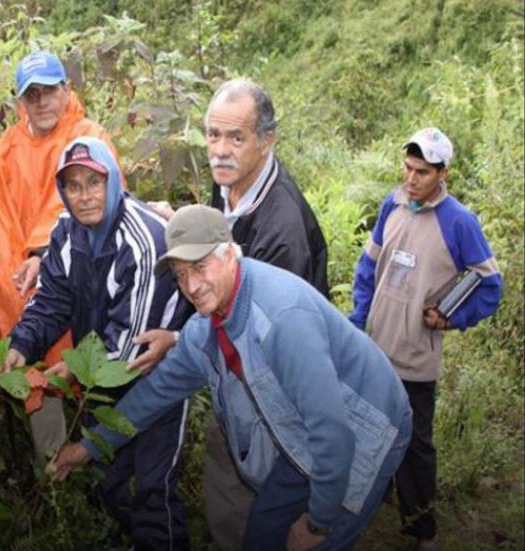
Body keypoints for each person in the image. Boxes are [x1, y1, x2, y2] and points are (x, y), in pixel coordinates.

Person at [54, 204, 413, 551]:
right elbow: (155, 394)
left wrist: (317, 524)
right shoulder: (204, 330)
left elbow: (333, 433)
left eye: (199, 267)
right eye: (180, 274)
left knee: (314, 541)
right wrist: (89, 447)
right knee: (263, 535)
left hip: (369, 425)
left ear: (229, 254)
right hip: (305, 433)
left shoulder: (281, 320)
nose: (191, 286)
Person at [134, 78, 329, 549]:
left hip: (279, 386)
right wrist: (180, 219)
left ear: (266, 141)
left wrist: (178, 341)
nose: (220, 150)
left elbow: (259, 328)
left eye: (236, 138)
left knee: (274, 496)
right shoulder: (235, 187)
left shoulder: (282, 230)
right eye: (213, 135)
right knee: (231, 475)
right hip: (239, 376)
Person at [3, 137, 190, 549]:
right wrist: (21, 344)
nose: (84, 196)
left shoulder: (143, 241)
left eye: (94, 182)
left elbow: (131, 341)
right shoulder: (66, 232)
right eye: (73, 185)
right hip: (101, 379)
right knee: (110, 481)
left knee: (154, 489)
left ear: (114, 180)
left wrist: (72, 368)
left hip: (156, 377)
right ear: (62, 191)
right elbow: (51, 300)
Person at [349, 128, 502, 550]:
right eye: (408, 168)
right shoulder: (391, 204)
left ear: (443, 173)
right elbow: (368, 271)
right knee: (367, 429)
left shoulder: (458, 222)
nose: (411, 179)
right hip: (375, 350)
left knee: (415, 444)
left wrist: (451, 319)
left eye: (422, 172)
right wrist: (357, 324)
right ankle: (368, 505)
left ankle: (421, 530)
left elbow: (490, 285)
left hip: (416, 356)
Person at [0, 51, 120, 458]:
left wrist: (44, 253)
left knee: (96, 383)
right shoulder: (2, 152)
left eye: (49, 91)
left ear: (66, 90)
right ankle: (57, 489)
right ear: (19, 101)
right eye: (32, 94)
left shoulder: (90, 139)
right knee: (43, 391)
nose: (41, 102)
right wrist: (15, 288)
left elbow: (97, 204)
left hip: (85, 288)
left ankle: (99, 478)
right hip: (24, 293)